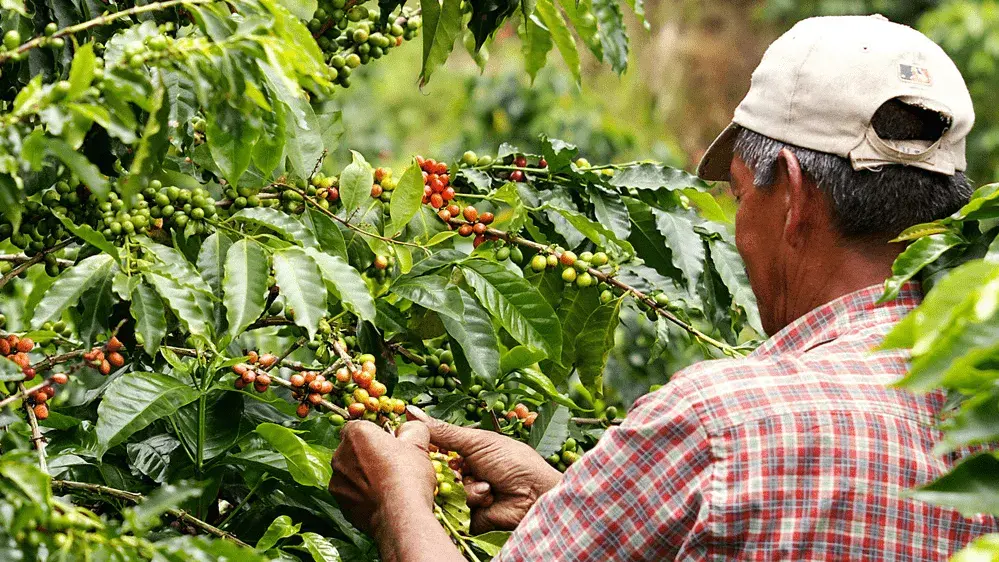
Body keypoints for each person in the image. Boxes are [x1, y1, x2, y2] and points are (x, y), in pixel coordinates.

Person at [328, 14, 999, 560]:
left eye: (738, 196)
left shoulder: (718, 425)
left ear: (790, 194)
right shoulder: (981, 406)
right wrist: (566, 504)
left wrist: (398, 503)